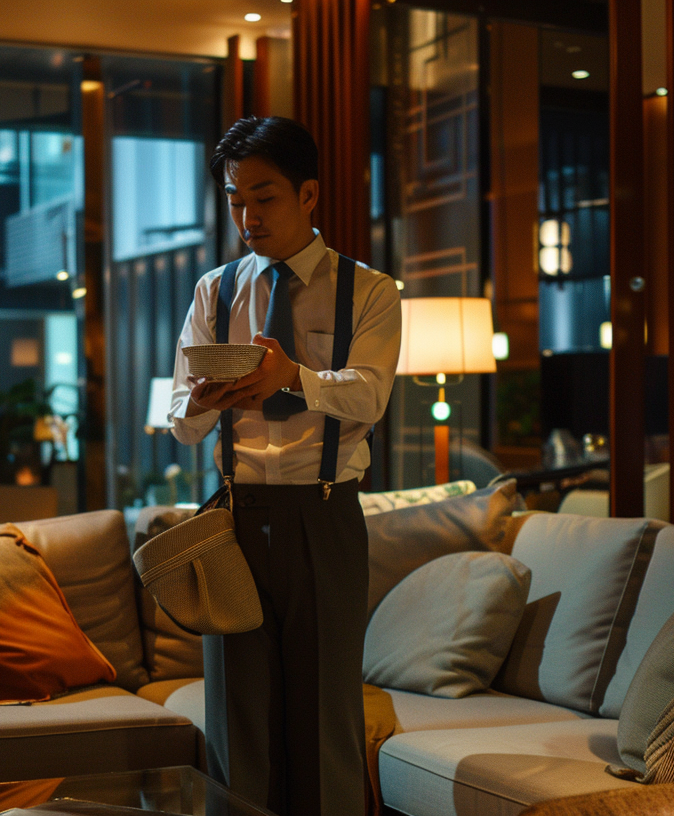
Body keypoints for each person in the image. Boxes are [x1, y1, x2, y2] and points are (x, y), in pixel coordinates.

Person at [168, 116, 402, 816]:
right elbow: (181, 423)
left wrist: (293, 377)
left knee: (325, 715)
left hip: (325, 514)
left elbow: (371, 393)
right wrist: (207, 401)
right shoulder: (215, 291)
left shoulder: (369, 291)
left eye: (263, 198)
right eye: (236, 200)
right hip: (235, 518)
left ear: (309, 195)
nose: (247, 216)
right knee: (238, 720)